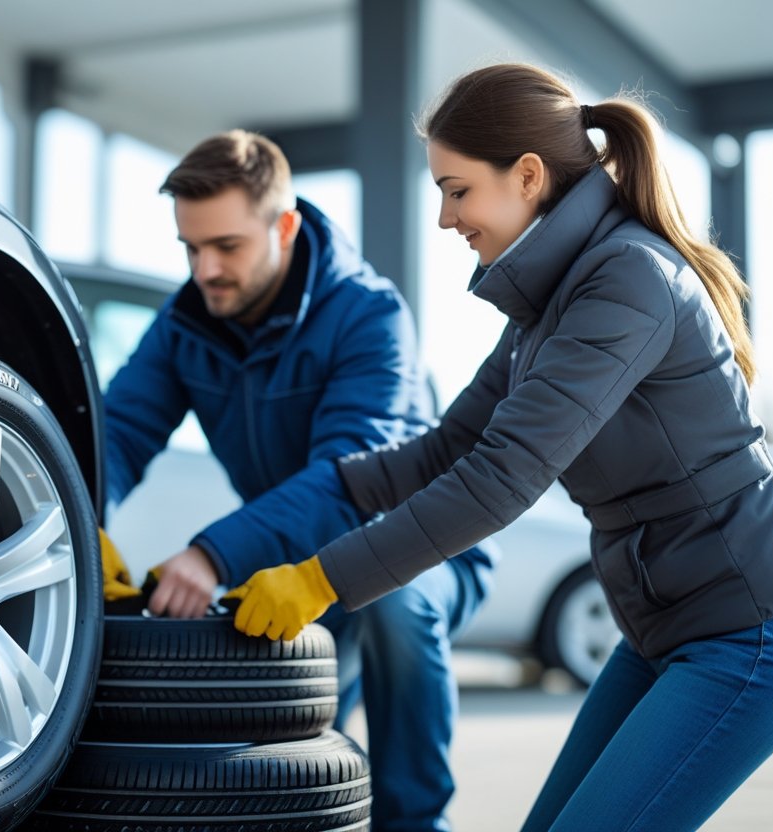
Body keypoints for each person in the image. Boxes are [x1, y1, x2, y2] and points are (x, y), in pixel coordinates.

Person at [224, 63, 773, 831]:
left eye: (457, 190)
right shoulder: (546, 307)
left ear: (526, 175)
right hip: (666, 633)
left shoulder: (628, 280)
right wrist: (240, 542)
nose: (446, 218)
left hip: (758, 631)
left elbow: (500, 478)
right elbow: (445, 450)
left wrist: (323, 580)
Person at [100, 129, 497, 831]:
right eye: (191, 249)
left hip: (411, 554)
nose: (206, 269)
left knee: (396, 607)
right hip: (286, 566)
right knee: (302, 773)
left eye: (227, 246)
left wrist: (212, 554)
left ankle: (416, 823)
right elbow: (118, 434)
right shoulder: (184, 326)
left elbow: (350, 477)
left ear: (283, 225)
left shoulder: (371, 316)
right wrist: (80, 520)